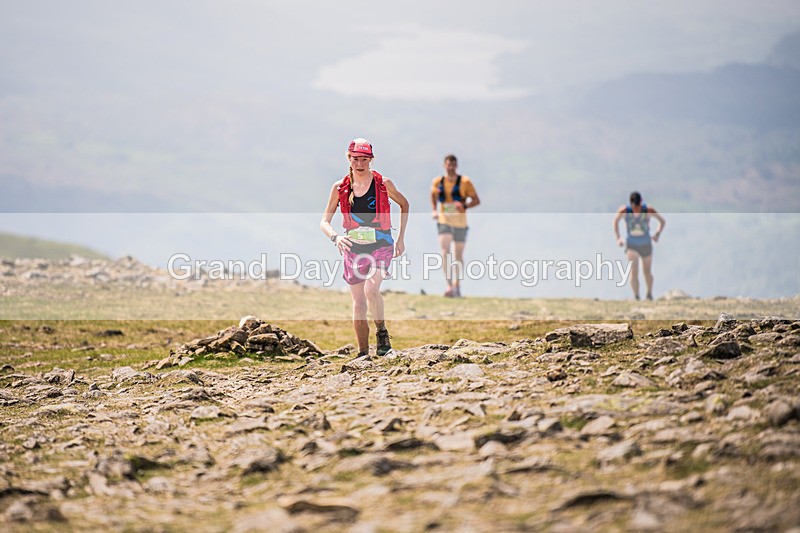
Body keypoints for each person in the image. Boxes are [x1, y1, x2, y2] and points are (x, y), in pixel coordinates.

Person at [321, 138, 409, 357]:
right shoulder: (340, 187)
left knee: (371, 289)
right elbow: (324, 221)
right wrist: (335, 238)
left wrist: (401, 239)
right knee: (358, 302)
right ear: (349, 159)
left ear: (371, 160)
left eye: (364, 159)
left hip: (381, 244)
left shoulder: (383, 184)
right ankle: (362, 354)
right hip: (353, 247)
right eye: (355, 159)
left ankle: (382, 336)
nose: (360, 164)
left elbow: (404, 204)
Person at [430, 154, 480, 297]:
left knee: (458, 256)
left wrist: (464, 205)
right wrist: (434, 210)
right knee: (445, 252)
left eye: (453, 165)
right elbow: (433, 196)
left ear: (456, 166)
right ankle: (449, 285)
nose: (450, 168)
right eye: (448, 165)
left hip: (460, 222)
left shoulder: (465, 182)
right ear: (445, 165)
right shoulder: (438, 182)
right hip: (444, 220)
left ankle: (457, 285)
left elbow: (476, 200)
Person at [613, 191, 666, 301]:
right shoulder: (624, 211)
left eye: (638, 207)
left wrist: (657, 234)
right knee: (634, 271)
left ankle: (649, 294)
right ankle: (636, 296)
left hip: (645, 243)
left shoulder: (648, 210)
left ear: (641, 203)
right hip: (632, 244)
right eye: (634, 207)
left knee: (647, 271)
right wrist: (618, 237)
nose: (636, 209)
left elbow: (662, 221)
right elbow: (615, 222)